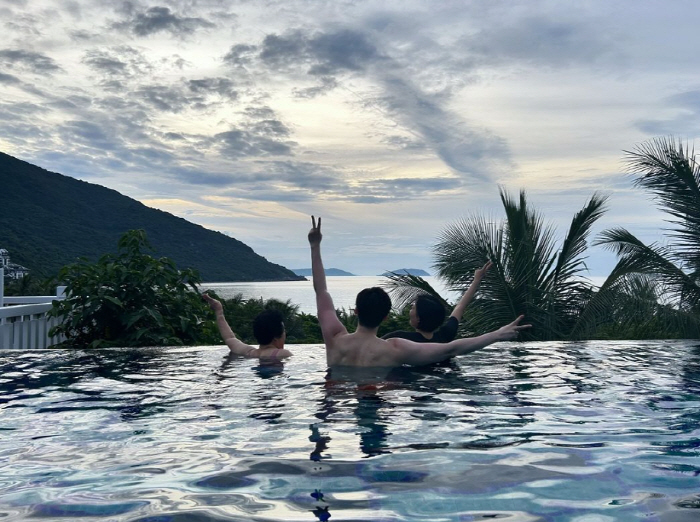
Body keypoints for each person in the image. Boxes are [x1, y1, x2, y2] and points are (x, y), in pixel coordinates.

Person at [307, 216, 530, 367]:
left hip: (337, 401)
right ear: (386, 317)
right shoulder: (394, 348)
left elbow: (321, 291)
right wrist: (497, 334)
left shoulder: (335, 339)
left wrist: (315, 246)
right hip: (375, 400)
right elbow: (449, 349)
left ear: (355, 311)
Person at [382, 261, 492, 343]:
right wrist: (477, 280)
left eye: (413, 308)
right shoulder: (445, 336)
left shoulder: (400, 339)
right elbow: (460, 307)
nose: (410, 309)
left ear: (419, 318)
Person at [202, 293, 292, 363]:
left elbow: (230, 338)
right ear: (276, 337)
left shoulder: (249, 353)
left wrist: (219, 311)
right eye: (284, 331)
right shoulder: (283, 354)